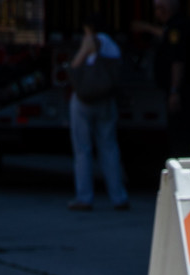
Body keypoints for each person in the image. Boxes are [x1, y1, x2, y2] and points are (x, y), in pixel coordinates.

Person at [65, 23, 128, 212]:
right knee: (109, 148)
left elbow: (75, 66)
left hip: (84, 101)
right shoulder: (113, 48)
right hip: (105, 101)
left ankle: (84, 197)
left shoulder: (91, 41)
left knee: (83, 150)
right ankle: (118, 197)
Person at [135, 0, 190, 158]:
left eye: (158, 9)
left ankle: (182, 173)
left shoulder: (177, 27)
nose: (156, 13)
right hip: (184, 91)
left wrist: (174, 90)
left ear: (165, 9)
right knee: (178, 137)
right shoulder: (175, 26)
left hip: (185, 93)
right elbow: (164, 33)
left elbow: (177, 62)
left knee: (181, 138)